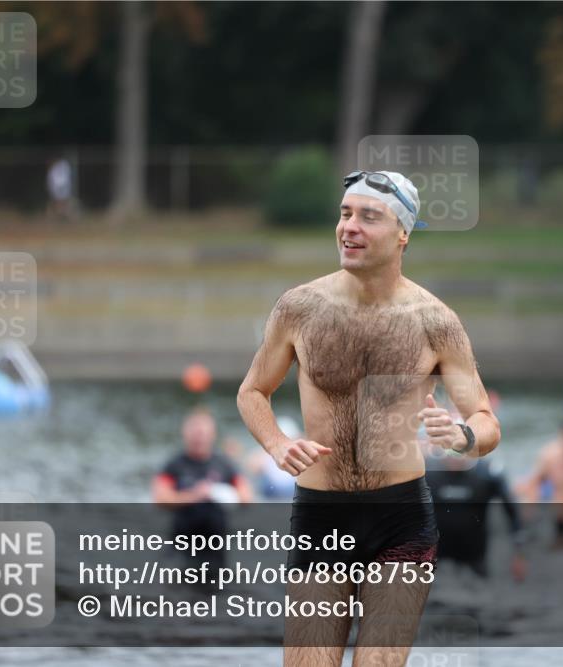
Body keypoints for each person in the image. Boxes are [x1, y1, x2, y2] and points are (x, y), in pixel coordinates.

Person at [237, 170, 501, 666]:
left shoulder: (435, 322)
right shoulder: (300, 308)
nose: (349, 227)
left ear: (403, 233)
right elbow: (252, 391)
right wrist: (275, 444)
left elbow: (487, 422)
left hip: (400, 517)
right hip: (321, 514)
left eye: (368, 217)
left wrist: (463, 436)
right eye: (344, 214)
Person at [152, 408, 252, 566]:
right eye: (195, 432)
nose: (199, 437)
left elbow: (247, 498)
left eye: (203, 433)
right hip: (182, 544)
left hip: (215, 546)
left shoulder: (225, 464)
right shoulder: (174, 465)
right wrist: (195, 495)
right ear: (185, 433)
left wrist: (219, 492)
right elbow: (160, 499)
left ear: (212, 435)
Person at [426, 449, 527, 581]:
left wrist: (519, 554)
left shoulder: (487, 473)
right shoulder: (427, 472)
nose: (455, 459)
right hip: (437, 551)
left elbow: (511, 509)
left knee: (480, 586)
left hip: (475, 552)